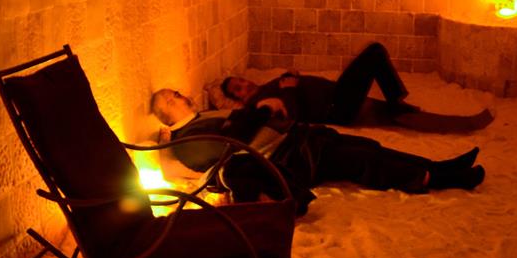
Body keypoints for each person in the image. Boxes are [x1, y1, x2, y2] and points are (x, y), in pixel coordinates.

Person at [150, 88, 485, 215]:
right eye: (171, 96)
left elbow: (234, 125)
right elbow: (233, 141)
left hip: (298, 139)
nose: (180, 94)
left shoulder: (202, 118)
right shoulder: (188, 140)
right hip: (289, 157)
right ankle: (437, 178)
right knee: (363, 161)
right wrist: (262, 109)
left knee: (369, 147)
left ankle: (441, 168)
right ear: (167, 110)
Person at [221, 42, 493, 131]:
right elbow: (289, 117)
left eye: (240, 81)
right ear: (239, 100)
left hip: (337, 96)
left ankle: (399, 106)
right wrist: (291, 88)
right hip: (335, 107)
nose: (244, 85)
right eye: (238, 89)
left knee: (397, 114)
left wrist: (289, 77)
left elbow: (287, 88)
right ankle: (396, 102)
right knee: (374, 53)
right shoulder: (258, 104)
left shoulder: (266, 87)